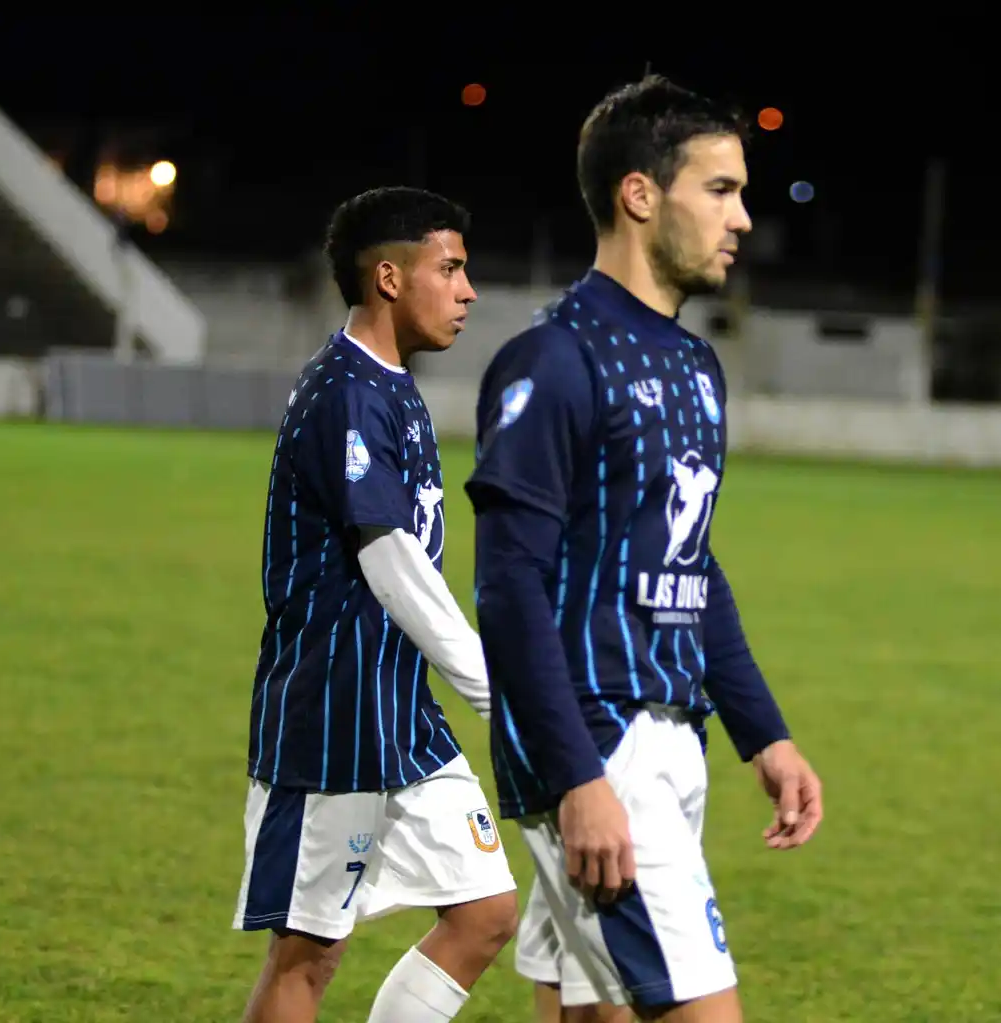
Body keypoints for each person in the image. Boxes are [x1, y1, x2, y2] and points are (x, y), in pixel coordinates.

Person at [464, 75, 825, 1023]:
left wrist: (765, 734)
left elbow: (691, 569)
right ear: (639, 194)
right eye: (720, 189)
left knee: (590, 1013)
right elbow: (507, 586)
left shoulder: (695, 366)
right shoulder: (553, 361)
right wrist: (580, 776)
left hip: (673, 742)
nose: (742, 217)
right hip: (600, 746)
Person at [232, 186, 517, 1023]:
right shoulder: (346, 392)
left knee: (484, 910)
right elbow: (392, 561)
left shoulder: (393, 388)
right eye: (452, 268)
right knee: (308, 957)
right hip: (331, 715)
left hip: (399, 713)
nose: (468, 290)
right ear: (390, 277)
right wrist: (499, 692)